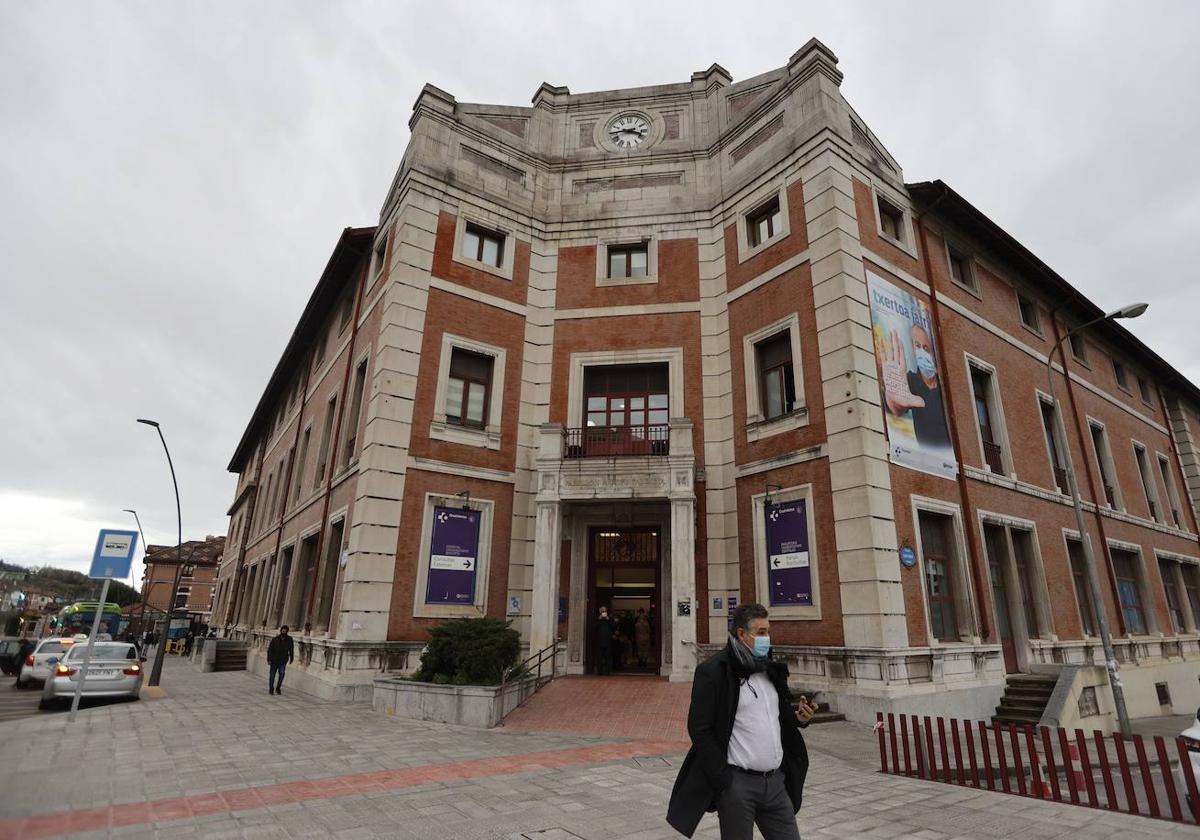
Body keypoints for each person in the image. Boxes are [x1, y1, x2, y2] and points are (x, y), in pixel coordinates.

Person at [666, 603, 815, 840]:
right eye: (761, 632)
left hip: (776, 783)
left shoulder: (770, 669)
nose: (767, 638)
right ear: (742, 634)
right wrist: (724, 780)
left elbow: (776, 716)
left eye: (768, 631)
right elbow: (699, 729)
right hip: (737, 786)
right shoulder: (714, 671)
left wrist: (799, 718)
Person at [880, 324, 949, 449]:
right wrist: (893, 401)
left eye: (926, 348)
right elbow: (897, 406)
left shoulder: (945, 388)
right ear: (912, 349)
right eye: (917, 346)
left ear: (934, 354)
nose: (921, 352)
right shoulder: (910, 380)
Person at [266, 625, 294, 695]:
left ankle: (278, 687)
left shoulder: (289, 639)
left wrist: (291, 658)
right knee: (272, 675)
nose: (284, 632)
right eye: (282, 631)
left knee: (282, 674)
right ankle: (271, 688)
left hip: (283, 660)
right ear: (280, 631)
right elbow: (270, 650)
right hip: (274, 660)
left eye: (285, 631)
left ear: (287, 632)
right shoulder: (275, 639)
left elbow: (291, 649)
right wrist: (269, 659)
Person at [594, 607, 613, 676]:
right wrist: (599, 619)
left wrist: (608, 619)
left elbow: (613, 627)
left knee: (608, 657)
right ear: (600, 612)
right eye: (602, 611)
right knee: (599, 658)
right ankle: (600, 672)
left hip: (608, 642)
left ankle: (608, 671)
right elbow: (594, 628)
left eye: (605, 611)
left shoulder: (609, 619)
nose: (603, 612)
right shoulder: (597, 619)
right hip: (599, 643)